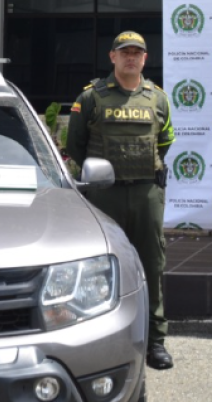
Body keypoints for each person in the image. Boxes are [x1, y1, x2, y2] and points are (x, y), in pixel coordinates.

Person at [66, 31, 176, 370]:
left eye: (136, 53)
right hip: (105, 194)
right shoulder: (91, 97)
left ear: (145, 59)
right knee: (99, 264)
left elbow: (164, 142)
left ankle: (155, 342)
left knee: (152, 265)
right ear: (112, 57)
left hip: (146, 194)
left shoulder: (158, 99)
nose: (131, 57)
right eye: (124, 52)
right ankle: (99, 340)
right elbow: (76, 146)